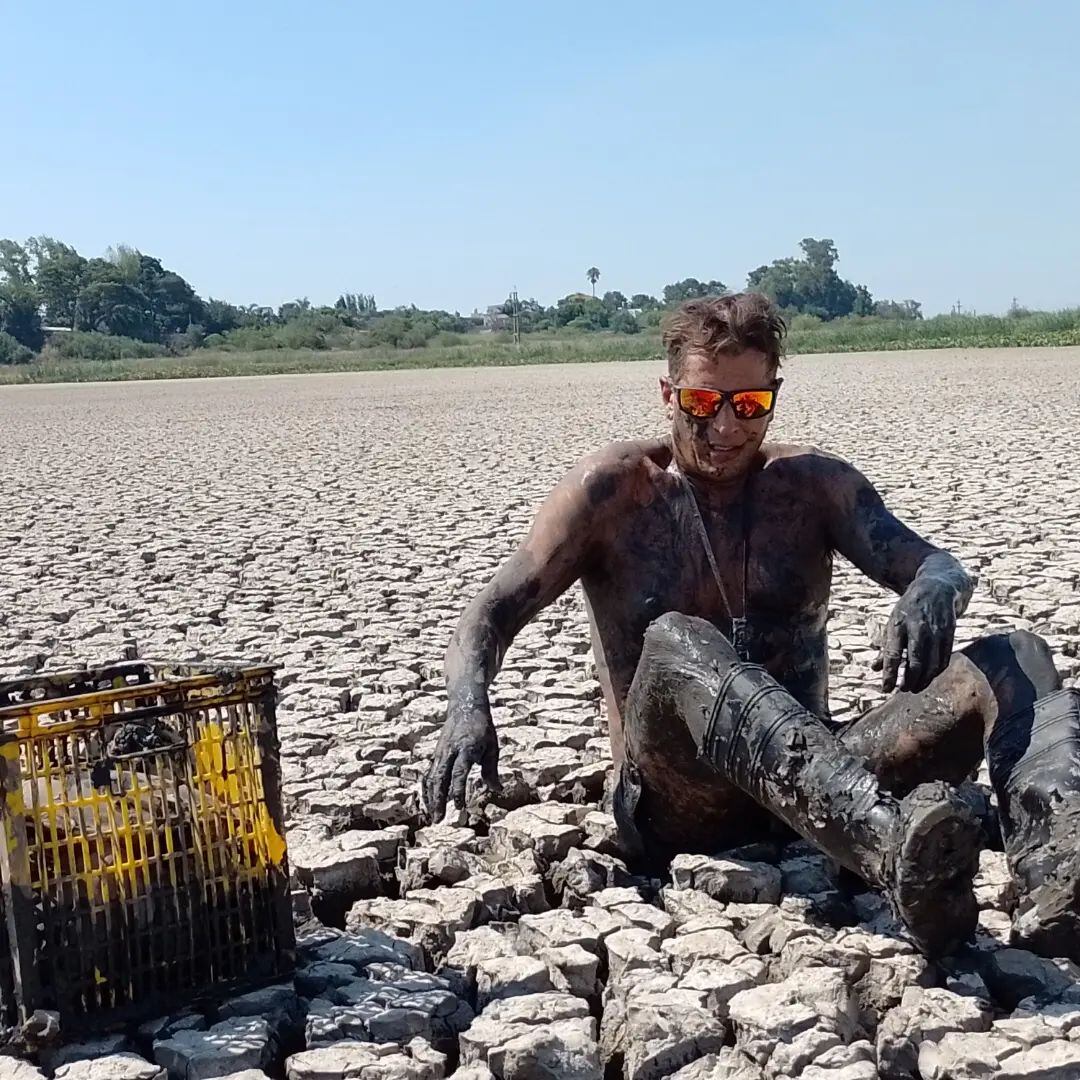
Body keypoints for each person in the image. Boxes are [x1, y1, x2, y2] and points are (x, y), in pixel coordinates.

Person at [424, 292, 1063, 956]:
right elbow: (491, 612)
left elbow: (935, 563)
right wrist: (468, 707)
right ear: (668, 394)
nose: (725, 428)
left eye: (749, 406)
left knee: (1015, 657)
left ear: (773, 394)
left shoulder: (813, 486)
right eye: (703, 405)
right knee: (677, 641)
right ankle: (892, 850)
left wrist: (933, 590)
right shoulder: (616, 492)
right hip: (680, 803)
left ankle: (1058, 863)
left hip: (820, 796)